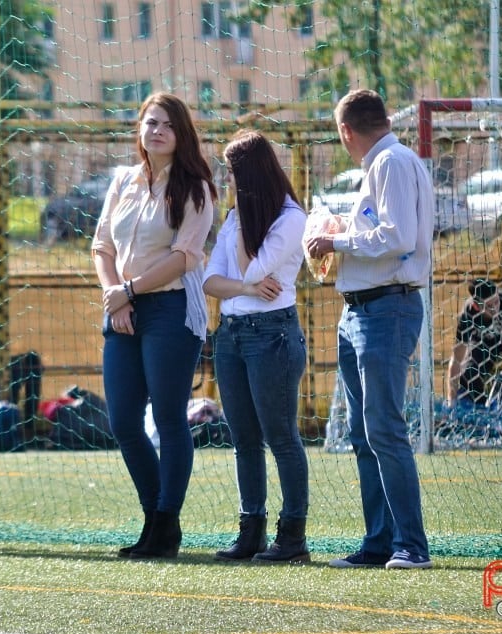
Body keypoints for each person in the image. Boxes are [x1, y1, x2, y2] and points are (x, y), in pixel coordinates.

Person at [304, 89, 433, 570]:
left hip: (386, 309)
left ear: (346, 132)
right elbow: (380, 232)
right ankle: (379, 541)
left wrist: (333, 238)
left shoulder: (391, 163)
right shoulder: (381, 166)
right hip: (359, 310)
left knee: (384, 429)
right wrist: (341, 229)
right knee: (363, 432)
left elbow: (396, 237)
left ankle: (411, 546)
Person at [92, 92, 215, 559]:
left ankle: (166, 525)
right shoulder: (123, 180)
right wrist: (115, 297)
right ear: (139, 130)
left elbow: (185, 258)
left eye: (166, 124)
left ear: (181, 133)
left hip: (170, 310)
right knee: (123, 420)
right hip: (123, 309)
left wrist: (131, 291)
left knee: (168, 418)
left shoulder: (196, 188)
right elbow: (102, 247)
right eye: (149, 123)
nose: (157, 131)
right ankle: (153, 519)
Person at [203, 130, 310, 563]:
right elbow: (212, 281)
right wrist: (244, 286)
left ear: (248, 176)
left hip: (273, 335)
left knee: (281, 436)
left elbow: (255, 266)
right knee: (243, 439)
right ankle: (251, 530)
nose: (227, 182)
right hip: (230, 335)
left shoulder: (289, 217)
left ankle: (292, 537)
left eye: (231, 174)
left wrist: (243, 275)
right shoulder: (232, 218)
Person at [446, 278, 502, 410]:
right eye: (488, 306)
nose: (494, 309)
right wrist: (451, 401)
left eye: (496, 302)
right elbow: (456, 359)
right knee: (471, 375)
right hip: (484, 354)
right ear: (476, 306)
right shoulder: (468, 316)